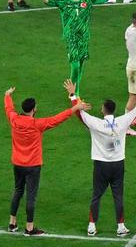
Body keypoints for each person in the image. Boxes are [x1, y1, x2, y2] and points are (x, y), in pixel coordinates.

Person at [71, 79, 136, 236]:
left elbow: (79, 114)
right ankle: (121, 227)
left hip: (101, 165)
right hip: (117, 164)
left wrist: (72, 95)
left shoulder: (96, 123)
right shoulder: (122, 122)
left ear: (103, 110)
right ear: (114, 110)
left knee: (96, 195)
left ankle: (92, 226)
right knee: (118, 196)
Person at [5, 85, 82, 236]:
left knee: (18, 191)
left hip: (18, 163)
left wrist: (7, 95)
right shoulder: (37, 124)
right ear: (34, 109)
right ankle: (29, 228)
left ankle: (12, 223)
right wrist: (75, 108)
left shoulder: (14, 120)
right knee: (31, 196)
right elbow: (57, 119)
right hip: (33, 165)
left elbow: (9, 109)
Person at [37, 0, 120, 95]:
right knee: (75, 66)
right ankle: (73, 94)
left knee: (80, 66)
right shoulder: (64, 1)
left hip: (84, 37)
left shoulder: (87, 0)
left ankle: (76, 92)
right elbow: (48, 1)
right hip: (71, 38)